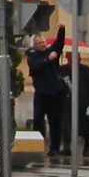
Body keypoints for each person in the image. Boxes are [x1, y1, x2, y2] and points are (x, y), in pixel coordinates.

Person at [26, 25, 70, 158]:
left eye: (43, 42)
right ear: (35, 45)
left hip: (55, 93)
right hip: (41, 94)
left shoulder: (52, 51)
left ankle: (54, 147)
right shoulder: (33, 56)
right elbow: (35, 68)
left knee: (55, 121)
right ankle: (38, 146)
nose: (42, 45)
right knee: (38, 120)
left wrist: (62, 30)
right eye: (39, 43)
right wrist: (48, 59)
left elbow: (59, 43)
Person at [64, 45, 89, 163]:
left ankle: (87, 145)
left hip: (83, 101)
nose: (69, 58)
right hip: (67, 102)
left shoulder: (85, 70)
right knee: (66, 124)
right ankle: (66, 146)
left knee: (86, 125)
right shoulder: (63, 69)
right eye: (68, 56)